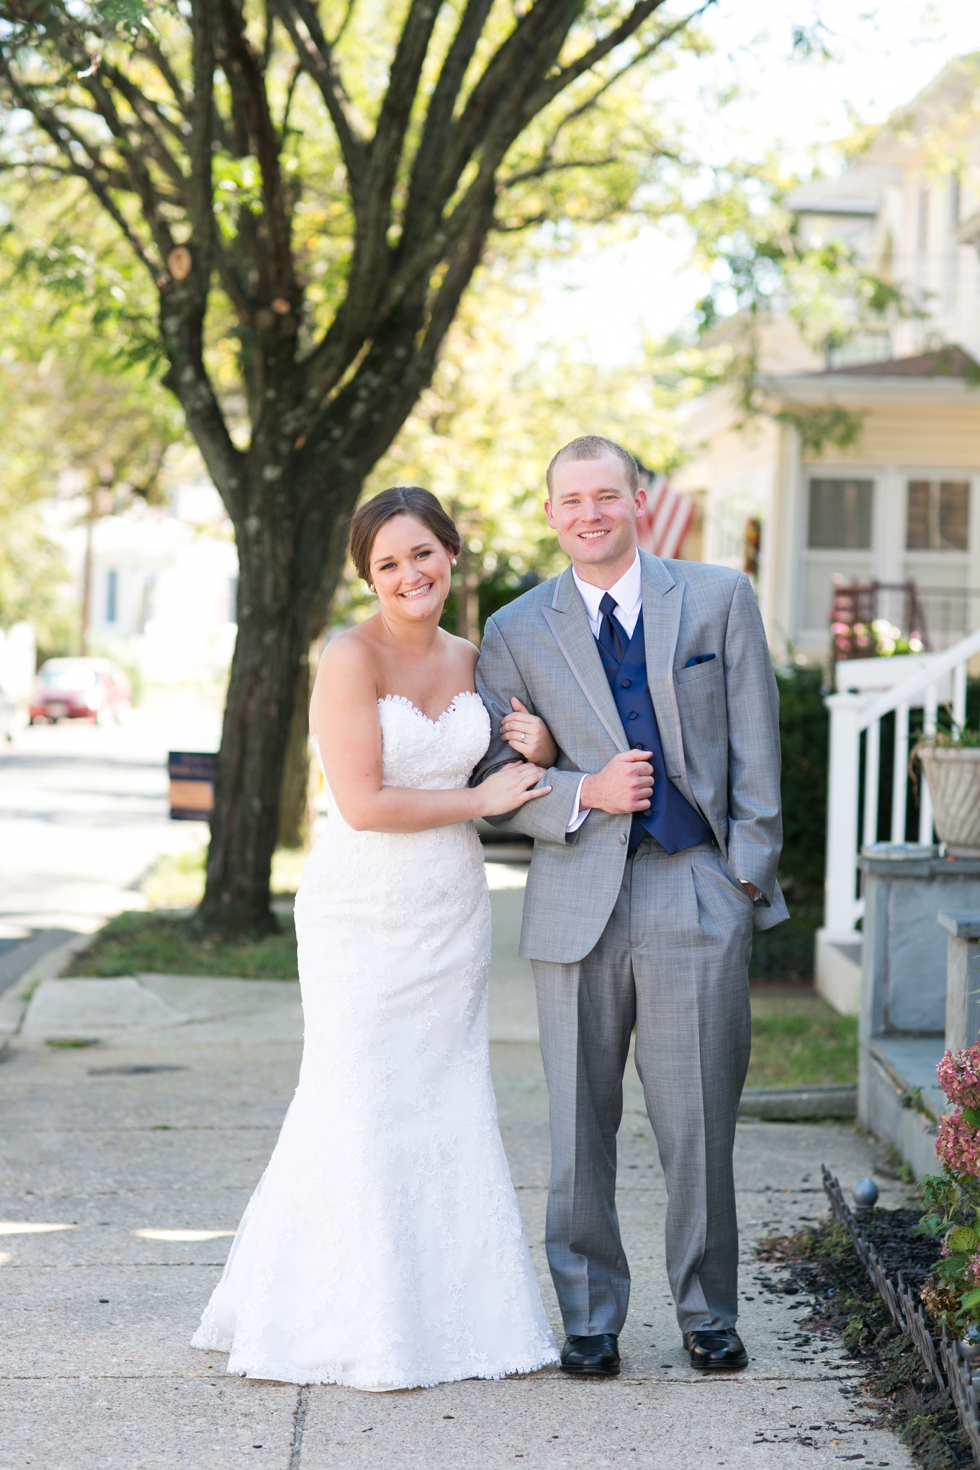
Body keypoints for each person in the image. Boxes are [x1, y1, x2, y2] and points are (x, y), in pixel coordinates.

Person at [192, 486, 560, 1390]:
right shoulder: (347, 658)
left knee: (445, 1099)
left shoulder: (477, 657)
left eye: (422, 555)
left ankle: (456, 1319)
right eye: (387, 563)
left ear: (451, 555)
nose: (409, 575)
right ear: (368, 576)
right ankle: (336, 1313)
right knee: (355, 1098)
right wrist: (483, 800)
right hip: (362, 911)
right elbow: (363, 803)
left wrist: (539, 750)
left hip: (451, 909)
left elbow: (504, 770)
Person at [474, 435, 787, 1378]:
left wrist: (743, 879)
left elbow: (756, 753)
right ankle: (590, 1318)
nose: (590, 514)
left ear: (637, 500)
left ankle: (706, 1312)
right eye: (571, 501)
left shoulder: (720, 599)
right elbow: (493, 774)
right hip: (577, 894)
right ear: (550, 513)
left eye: (606, 496)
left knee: (698, 1119)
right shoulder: (515, 629)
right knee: (579, 1124)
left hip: (694, 885)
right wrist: (581, 790)